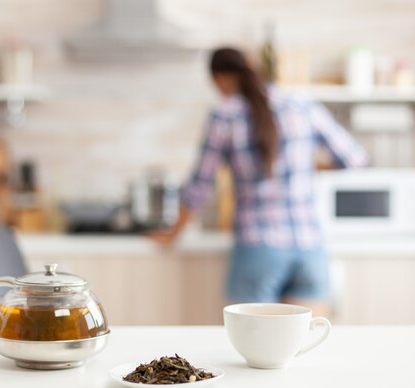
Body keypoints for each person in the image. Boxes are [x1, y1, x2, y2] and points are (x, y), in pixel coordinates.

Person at [150, 47, 368, 315]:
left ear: (220, 79)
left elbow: (200, 184)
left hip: (259, 248)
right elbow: (354, 159)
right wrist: (311, 165)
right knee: (305, 345)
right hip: (310, 247)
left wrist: (173, 233)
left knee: (250, 351)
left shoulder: (225, 114)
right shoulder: (302, 105)